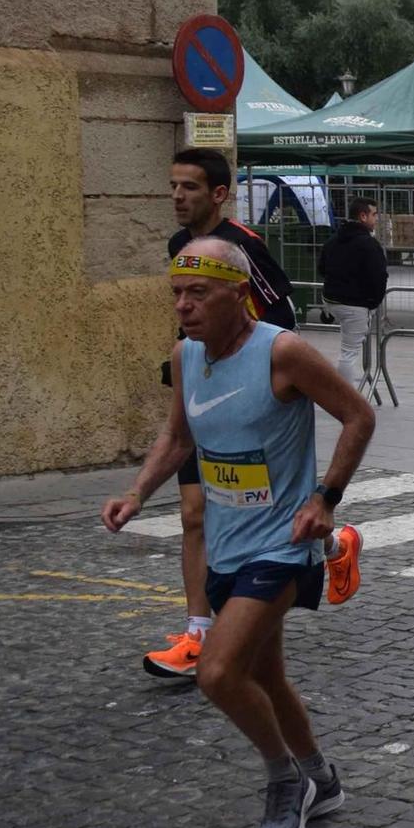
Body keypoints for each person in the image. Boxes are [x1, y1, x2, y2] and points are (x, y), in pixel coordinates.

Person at [103, 238, 377, 828]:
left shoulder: (282, 352)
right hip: (225, 548)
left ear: (237, 292)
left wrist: (325, 500)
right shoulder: (185, 357)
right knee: (267, 677)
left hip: (281, 546)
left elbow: (358, 417)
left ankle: (287, 780)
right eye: (176, 293)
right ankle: (323, 777)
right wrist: (138, 492)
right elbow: (178, 437)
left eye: (197, 293)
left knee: (219, 672)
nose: (183, 306)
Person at [145, 150, 315, 682]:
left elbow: (281, 317)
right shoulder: (181, 246)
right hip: (204, 393)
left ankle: (327, 541)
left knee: (254, 506)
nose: (178, 196)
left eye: (190, 188)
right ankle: (198, 632)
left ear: (218, 194)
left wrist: (256, 373)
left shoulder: (244, 247)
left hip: (251, 404)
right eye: (173, 186)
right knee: (194, 514)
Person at [318, 197, 388, 385]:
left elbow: (322, 269)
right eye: (374, 214)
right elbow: (379, 276)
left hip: (332, 299)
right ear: (363, 216)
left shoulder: (333, 240)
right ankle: (345, 397)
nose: (376, 219)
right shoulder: (369, 244)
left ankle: (344, 393)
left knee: (347, 348)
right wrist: (372, 303)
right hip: (355, 305)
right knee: (348, 354)